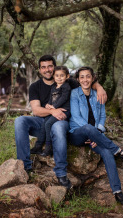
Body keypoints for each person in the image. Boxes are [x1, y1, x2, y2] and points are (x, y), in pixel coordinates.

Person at [14, 55, 107, 189]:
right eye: (43, 67)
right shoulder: (35, 86)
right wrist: (53, 111)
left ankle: (61, 173)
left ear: (55, 67)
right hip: (43, 122)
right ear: (40, 70)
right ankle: (25, 167)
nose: (47, 70)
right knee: (20, 121)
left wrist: (99, 87)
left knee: (57, 127)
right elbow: (36, 110)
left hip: (63, 121)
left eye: (50, 66)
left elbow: (87, 82)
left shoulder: (68, 82)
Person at [68, 66, 123, 204]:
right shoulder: (74, 94)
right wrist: (91, 133)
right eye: (82, 77)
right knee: (87, 127)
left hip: (95, 136)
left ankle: (117, 192)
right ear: (77, 79)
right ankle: (119, 151)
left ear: (93, 78)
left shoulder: (98, 94)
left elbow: (103, 116)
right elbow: (75, 117)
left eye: (88, 76)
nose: (85, 79)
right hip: (77, 134)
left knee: (106, 153)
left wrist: (96, 133)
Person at [31, 66, 71, 157]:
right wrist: (48, 105)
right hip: (54, 110)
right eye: (57, 75)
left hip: (64, 111)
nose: (59, 77)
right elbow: (51, 98)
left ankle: (49, 147)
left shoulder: (66, 87)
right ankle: (38, 145)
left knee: (49, 124)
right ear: (54, 77)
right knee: (45, 123)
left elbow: (63, 98)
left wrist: (54, 107)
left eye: (62, 75)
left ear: (67, 76)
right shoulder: (54, 87)